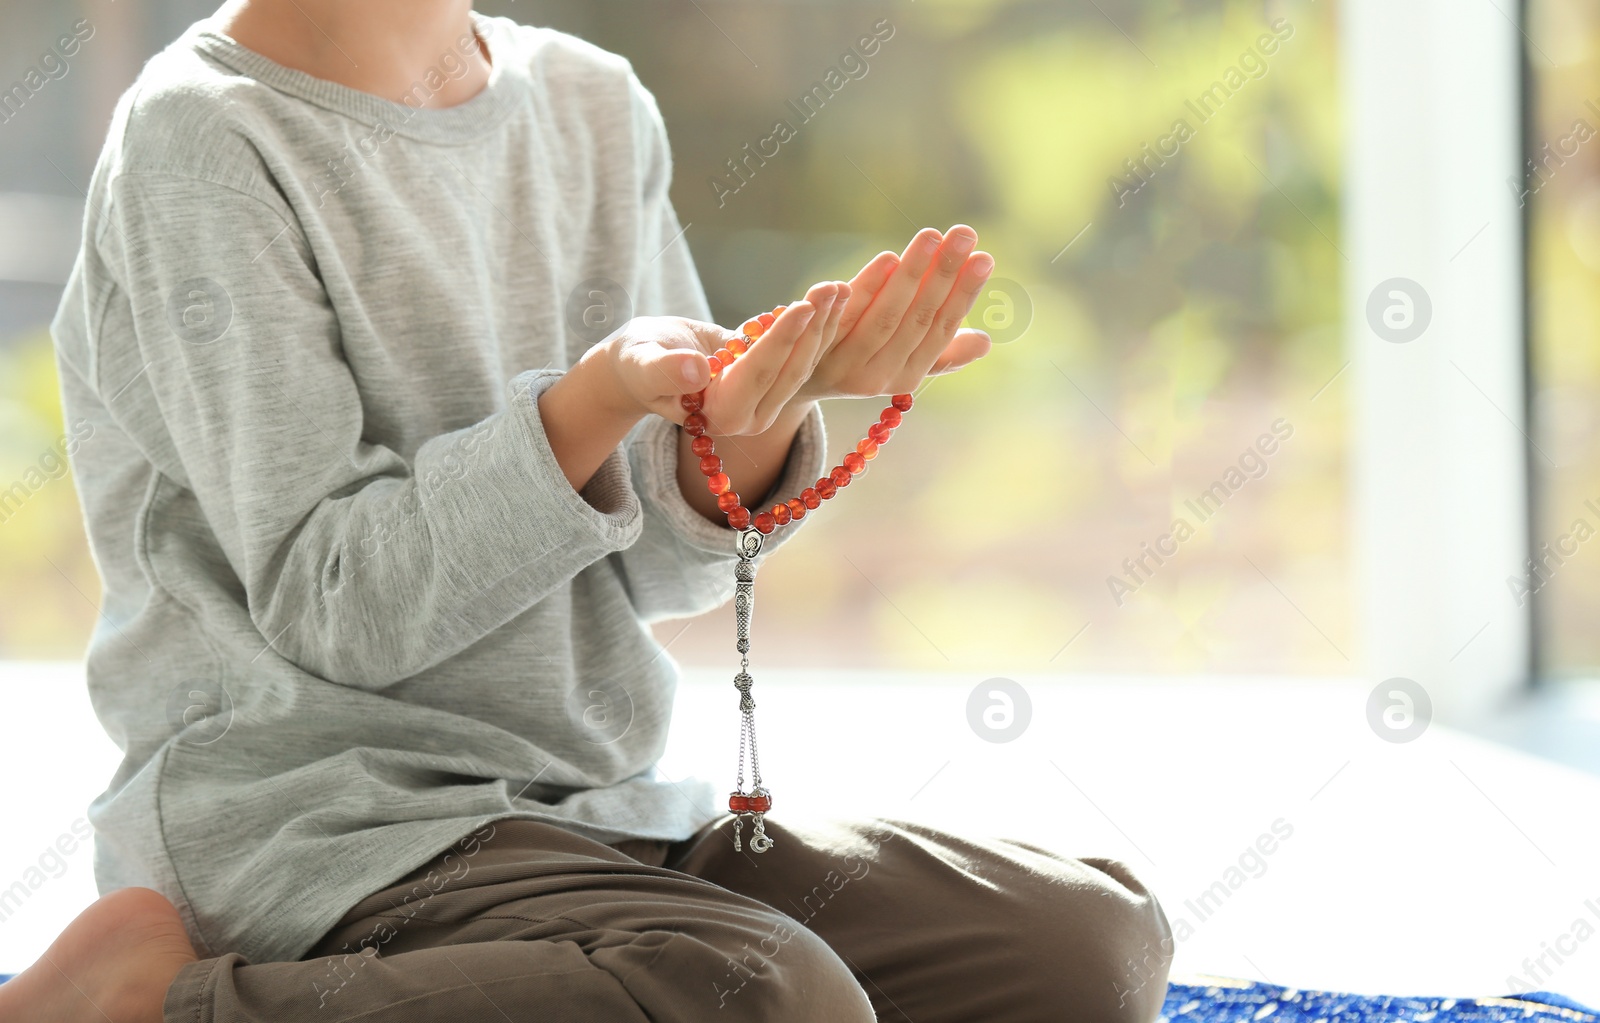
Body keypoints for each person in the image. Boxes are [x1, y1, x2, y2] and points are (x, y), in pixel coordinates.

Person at [0, 1, 1173, 1020]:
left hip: (592, 809)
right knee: (770, 996)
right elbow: (335, 607)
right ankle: (149, 1005)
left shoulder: (591, 103)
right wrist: (586, 403)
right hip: (322, 830)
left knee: (1081, 945)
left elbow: (663, 574)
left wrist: (754, 415)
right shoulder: (201, 141)